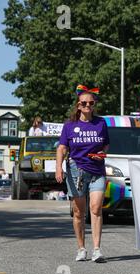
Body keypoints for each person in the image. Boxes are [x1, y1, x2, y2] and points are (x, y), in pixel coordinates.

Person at [55, 85, 110, 263]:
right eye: (84, 103)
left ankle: (97, 249)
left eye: (91, 103)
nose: (88, 106)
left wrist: (102, 153)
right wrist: (58, 168)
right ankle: (81, 248)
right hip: (75, 171)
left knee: (95, 208)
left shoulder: (101, 123)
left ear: (94, 105)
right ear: (78, 105)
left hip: (97, 171)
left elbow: (106, 145)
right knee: (79, 213)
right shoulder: (70, 126)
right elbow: (62, 148)